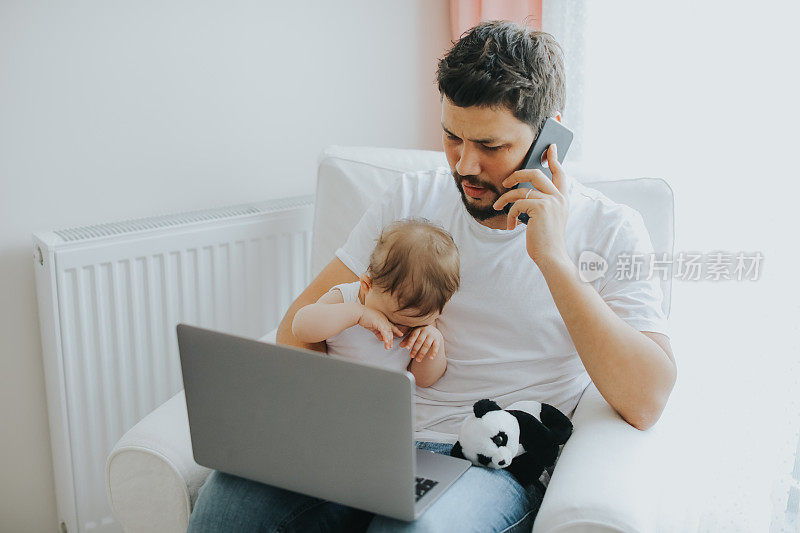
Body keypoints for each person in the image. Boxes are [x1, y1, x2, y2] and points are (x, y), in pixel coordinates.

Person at [188, 20, 677, 532]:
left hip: (488, 460)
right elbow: (296, 327)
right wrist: (332, 424)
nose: (465, 164)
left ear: (549, 136)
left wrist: (553, 259)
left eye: (491, 145)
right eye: (451, 137)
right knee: (228, 502)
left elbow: (647, 400)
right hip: (369, 443)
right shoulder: (409, 200)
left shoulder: (612, 229)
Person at [291, 218, 460, 387]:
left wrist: (433, 344)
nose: (399, 331)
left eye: (413, 325)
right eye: (393, 320)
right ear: (367, 285)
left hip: (383, 402)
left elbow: (423, 381)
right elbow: (301, 327)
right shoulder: (346, 298)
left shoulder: (425, 323)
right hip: (335, 392)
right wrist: (357, 313)